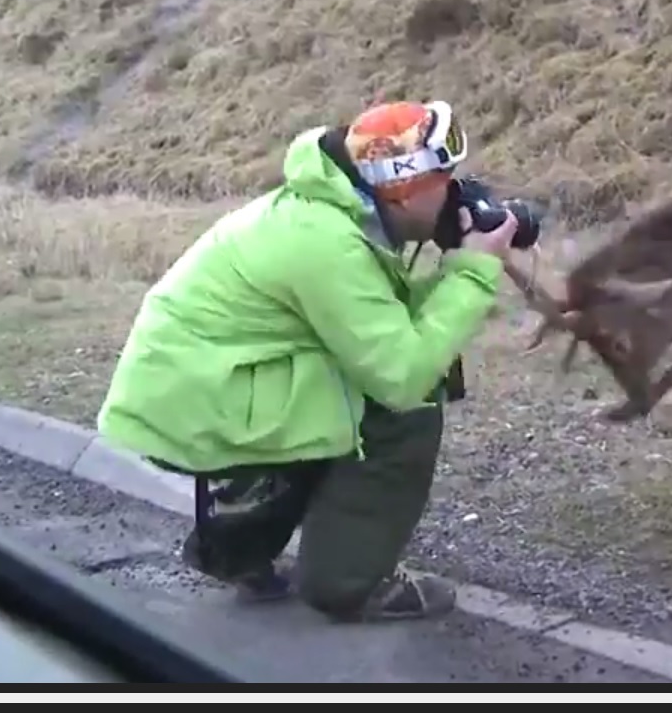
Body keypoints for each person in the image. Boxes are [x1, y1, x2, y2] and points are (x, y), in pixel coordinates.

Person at [95, 99, 524, 624]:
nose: (458, 191)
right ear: (403, 189)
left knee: (345, 381)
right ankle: (350, 584)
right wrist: (474, 272)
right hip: (208, 401)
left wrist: (460, 263)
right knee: (406, 407)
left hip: (198, 390)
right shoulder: (330, 242)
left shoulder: (328, 212)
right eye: (445, 178)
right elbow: (403, 374)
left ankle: (237, 551)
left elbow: (377, 321)